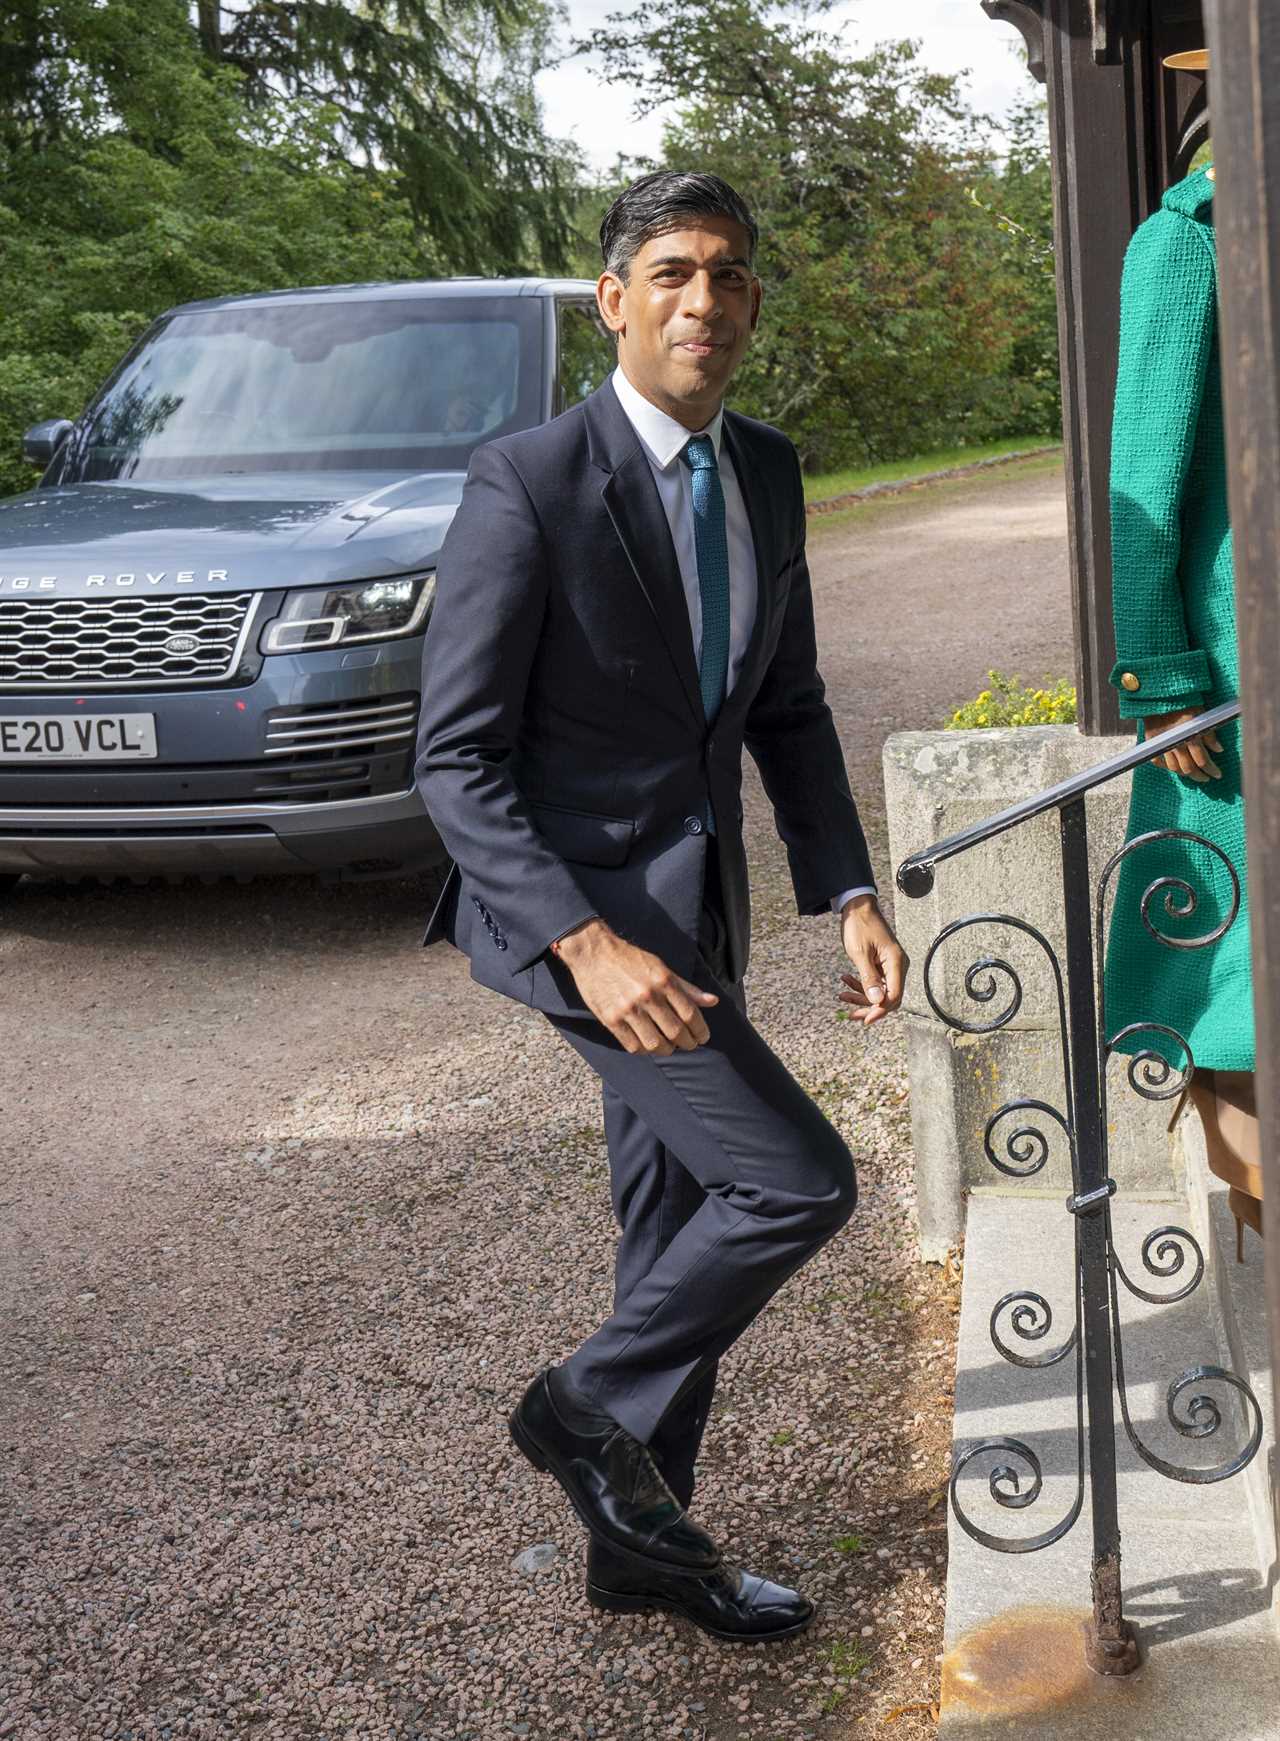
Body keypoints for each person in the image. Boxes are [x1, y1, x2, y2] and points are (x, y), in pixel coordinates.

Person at [414, 171, 906, 1641]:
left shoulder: (765, 469)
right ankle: (580, 1411)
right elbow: (455, 757)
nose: (709, 300)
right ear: (617, 297)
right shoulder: (530, 479)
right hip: (588, 930)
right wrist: (587, 940)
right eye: (676, 271)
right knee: (796, 1181)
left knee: (678, 1216)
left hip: (702, 913)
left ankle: (647, 1548)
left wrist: (850, 889)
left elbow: (792, 705)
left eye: (735, 275)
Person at [1103, 75, 1258, 1259]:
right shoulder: (1182, 242)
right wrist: (1158, 676)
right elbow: (1144, 474)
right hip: (1223, 687)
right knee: (1224, 982)